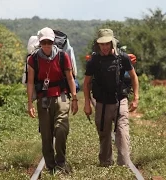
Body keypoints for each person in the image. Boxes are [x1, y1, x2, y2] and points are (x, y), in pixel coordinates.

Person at [83, 29, 139, 167]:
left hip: (120, 100)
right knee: (104, 133)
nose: (105, 47)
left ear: (112, 42)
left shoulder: (123, 58)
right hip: (102, 102)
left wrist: (136, 97)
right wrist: (87, 103)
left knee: (122, 130)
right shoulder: (94, 61)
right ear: (98, 45)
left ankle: (124, 163)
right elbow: (86, 83)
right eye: (102, 44)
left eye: (107, 43)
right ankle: (106, 161)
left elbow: (133, 76)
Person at [26, 27, 78, 174]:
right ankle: (50, 165)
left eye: (49, 42)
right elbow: (30, 82)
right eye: (44, 42)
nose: (47, 45)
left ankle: (61, 161)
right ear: (40, 43)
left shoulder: (62, 57)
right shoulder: (33, 59)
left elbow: (69, 78)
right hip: (43, 98)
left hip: (61, 96)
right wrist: (30, 103)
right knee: (46, 134)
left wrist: (74, 98)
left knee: (61, 128)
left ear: (53, 42)